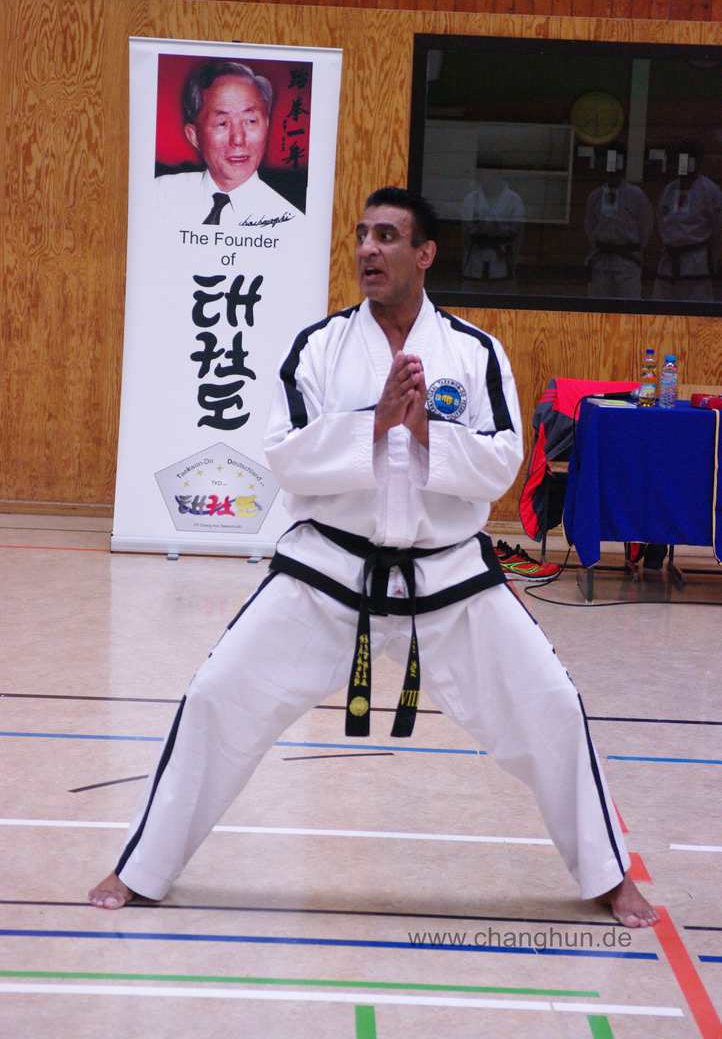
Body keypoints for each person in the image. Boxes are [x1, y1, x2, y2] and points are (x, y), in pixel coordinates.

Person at [89, 186, 657, 928]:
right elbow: (285, 454)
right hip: (328, 571)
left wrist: (425, 434)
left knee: (552, 703)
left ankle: (609, 874)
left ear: (425, 253)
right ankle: (142, 866)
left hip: (448, 575)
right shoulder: (320, 348)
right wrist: (375, 422)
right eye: (362, 235)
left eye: (387, 236)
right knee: (216, 695)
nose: (367, 250)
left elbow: (502, 464)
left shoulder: (473, 352)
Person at [155, 60, 297, 225]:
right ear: (193, 136)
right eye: (222, 123)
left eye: (250, 121)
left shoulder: (290, 222)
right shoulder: (158, 196)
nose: (238, 140)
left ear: (266, 126)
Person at [653, 142, 722, 302]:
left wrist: (714, 260)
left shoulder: (710, 190)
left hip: (696, 263)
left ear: (697, 162)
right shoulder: (669, 190)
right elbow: (660, 223)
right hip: (669, 262)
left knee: (696, 311)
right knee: (661, 310)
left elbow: (718, 230)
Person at [584, 149, 653, 299]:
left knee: (628, 310)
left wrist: (630, 249)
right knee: (599, 310)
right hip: (601, 264)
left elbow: (646, 227)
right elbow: (589, 227)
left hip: (627, 263)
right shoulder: (595, 196)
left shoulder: (636, 195)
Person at [461, 169, 524, 291]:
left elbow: (516, 232)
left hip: (503, 265)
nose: (488, 177)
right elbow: (466, 231)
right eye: (485, 174)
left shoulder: (514, 200)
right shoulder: (471, 199)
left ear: (500, 174)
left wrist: (496, 227)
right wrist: (483, 227)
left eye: (492, 174)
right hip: (474, 266)